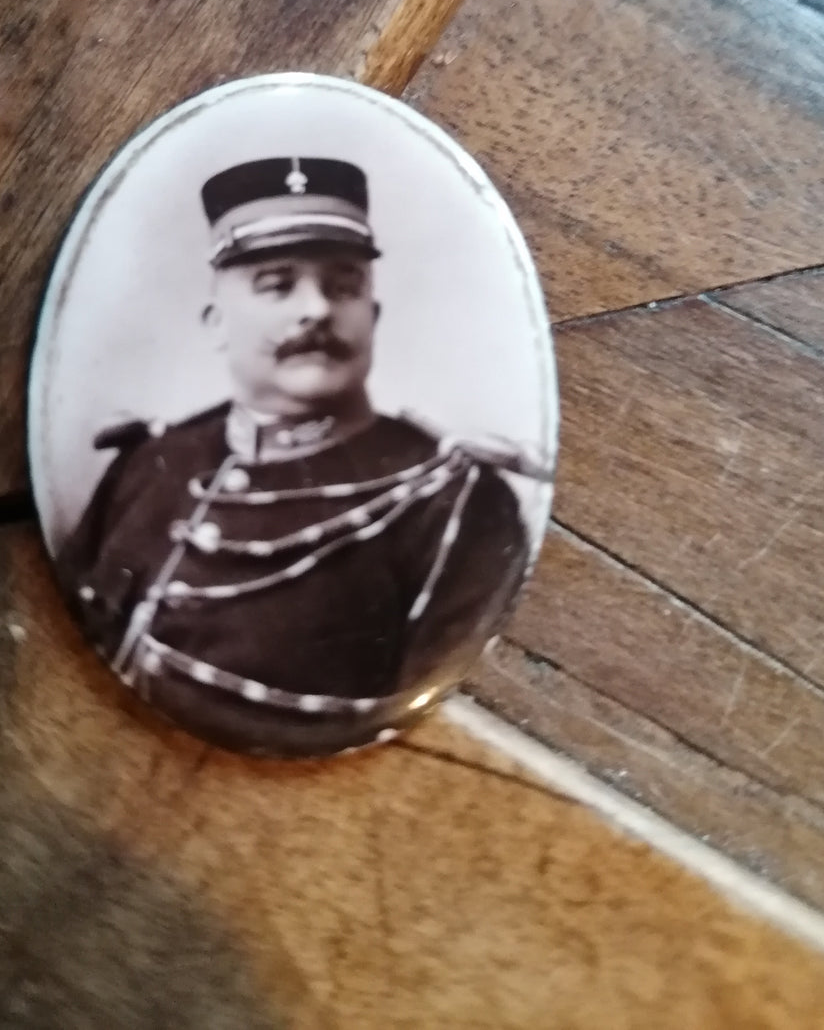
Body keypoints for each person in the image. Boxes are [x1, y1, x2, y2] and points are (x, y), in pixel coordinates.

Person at [57, 156, 535, 750]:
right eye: (277, 284)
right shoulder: (151, 460)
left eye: (343, 286)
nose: (316, 310)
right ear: (216, 323)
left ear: (373, 316)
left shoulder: (458, 506)